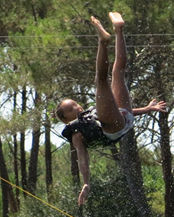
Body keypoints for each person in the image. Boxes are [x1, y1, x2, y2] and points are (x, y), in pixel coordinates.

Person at [54, 11, 168, 206]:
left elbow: (124, 113)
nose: (78, 106)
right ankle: (103, 41)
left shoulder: (89, 116)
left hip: (123, 119)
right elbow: (82, 156)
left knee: (118, 71)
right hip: (112, 127)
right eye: (72, 108)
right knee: (101, 81)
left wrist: (148, 109)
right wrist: (86, 182)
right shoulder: (75, 133)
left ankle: (118, 30)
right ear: (66, 119)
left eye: (75, 103)